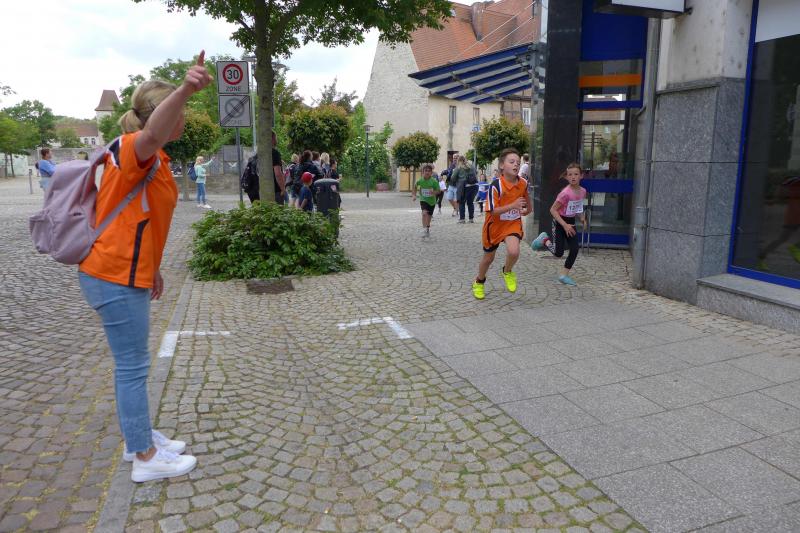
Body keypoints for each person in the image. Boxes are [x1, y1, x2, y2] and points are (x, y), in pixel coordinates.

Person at [78, 51, 212, 483]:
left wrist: (152, 268)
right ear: (162, 114)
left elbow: (141, 217)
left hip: (125, 272)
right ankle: (144, 456)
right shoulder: (135, 148)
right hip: (113, 273)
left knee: (133, 365)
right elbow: (153, 133)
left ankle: (140, 436)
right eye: (179, 108)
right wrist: (186, 87)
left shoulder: (153, 158)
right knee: (133, 367)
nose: (184, 117)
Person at [472, 148, 531, 300]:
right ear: (502, 165)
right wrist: (513, 206)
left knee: (514, 252)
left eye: (518, 162)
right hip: (494, 226)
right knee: (488, 259)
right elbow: (492, 211)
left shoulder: (523, 183)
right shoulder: (496, 185)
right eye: (512, 162)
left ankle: (507, 271)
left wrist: (527, 210)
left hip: (512, 224)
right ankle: (479, 281)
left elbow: (526, 202)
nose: (516, 164)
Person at [532, 162, 587, 286]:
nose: (573, 177)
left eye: (576, 174)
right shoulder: (565, 193)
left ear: (581, 176)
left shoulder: (583, 191)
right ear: (566, 177)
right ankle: (544, 240)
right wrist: (564, 225)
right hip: (559, 221)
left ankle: (563, 275)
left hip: (570, 223)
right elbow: (553, 210)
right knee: (558, 253)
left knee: (574, 249)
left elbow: (578, 207)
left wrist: (582, 218)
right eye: (570, 175)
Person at [242, 132, 286, 205]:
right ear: (271, 139)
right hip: (274, 191)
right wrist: (283, 189)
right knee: (276, 211)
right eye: (275, 138)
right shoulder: (274, 153)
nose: (276, 140)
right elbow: (278, 174)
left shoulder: (258, 154)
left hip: (258, 191)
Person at [412, 164, 439, 238]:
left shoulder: (434, 181)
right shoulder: (420, 180)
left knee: (429, 216)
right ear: (423, 172)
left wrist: (433, 192)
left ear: (431, 172)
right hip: (423, 199)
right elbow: (415, 187)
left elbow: (438, 191)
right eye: (425, 171)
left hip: (432, 201)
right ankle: (424, 229)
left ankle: (427, 228)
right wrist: (414, 195)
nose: (427, 172)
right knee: (424, 213)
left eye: (429, 171)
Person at [452, 155, 478, 223]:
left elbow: (453, 178)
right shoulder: (471, 166)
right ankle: (471, 219)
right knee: (470, 203)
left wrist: (458, 179)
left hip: (463, 187)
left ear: (459, 161)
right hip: (473, 186)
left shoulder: (458, 167)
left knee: (461, 202)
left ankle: (462, 219)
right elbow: (476, 172)